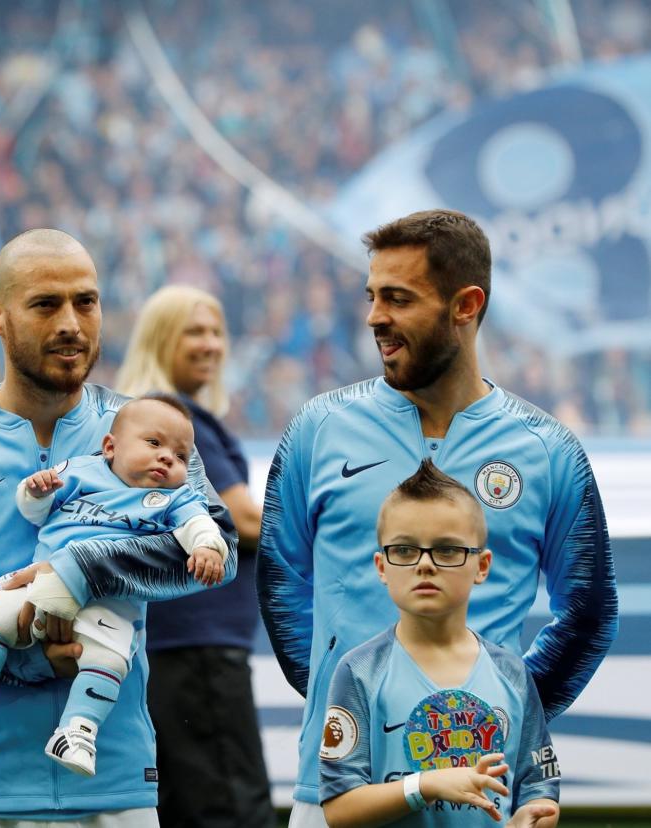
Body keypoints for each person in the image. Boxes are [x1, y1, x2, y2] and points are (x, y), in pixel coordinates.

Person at [0, 228, 238, 826]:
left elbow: (218, 545)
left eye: (86, 301)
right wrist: (22, 659)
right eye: (45, 304)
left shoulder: (148, 431)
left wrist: (85, 567)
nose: (71, 324)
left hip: (116, 783)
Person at [257, 209, 617, 828]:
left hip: (480, 798)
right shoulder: (316, 430)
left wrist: (505, 713)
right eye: (372, 296)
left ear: (466, 305)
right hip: (337, 798)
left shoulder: (549, 450)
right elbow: (281, 584)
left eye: (398, 299)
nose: (375, 317)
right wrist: (348, 702)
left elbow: (588, 612)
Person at [0, 394, 227, 778]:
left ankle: (78, 730)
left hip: (107, 605)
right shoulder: (81, 471)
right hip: (40, 585)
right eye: (154, 444)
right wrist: (36, 490)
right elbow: (35, 511)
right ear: (110, 447)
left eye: (181, 456)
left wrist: (207, 547)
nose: (167, 458)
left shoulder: (175, 498)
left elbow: (202, 524)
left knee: (110, 658)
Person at [319, 460, 560, 828]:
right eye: (404, 550)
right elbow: (339, 809)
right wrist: (428, 785)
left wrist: (532, 816)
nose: (425, 565)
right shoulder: (358, 672)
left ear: (482, 566)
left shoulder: (510, 672)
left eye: (447, 550)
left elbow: (538, 789)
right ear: (382, 566)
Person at [114, 285, 275, 828]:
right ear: (161, 340)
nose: (210, 344)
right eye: (194, 331)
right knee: (230, 808)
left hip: (173, 645)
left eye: (216, 331)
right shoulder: (180, 425)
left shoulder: (139, 422)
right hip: (198, 647)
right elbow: (242, 520)